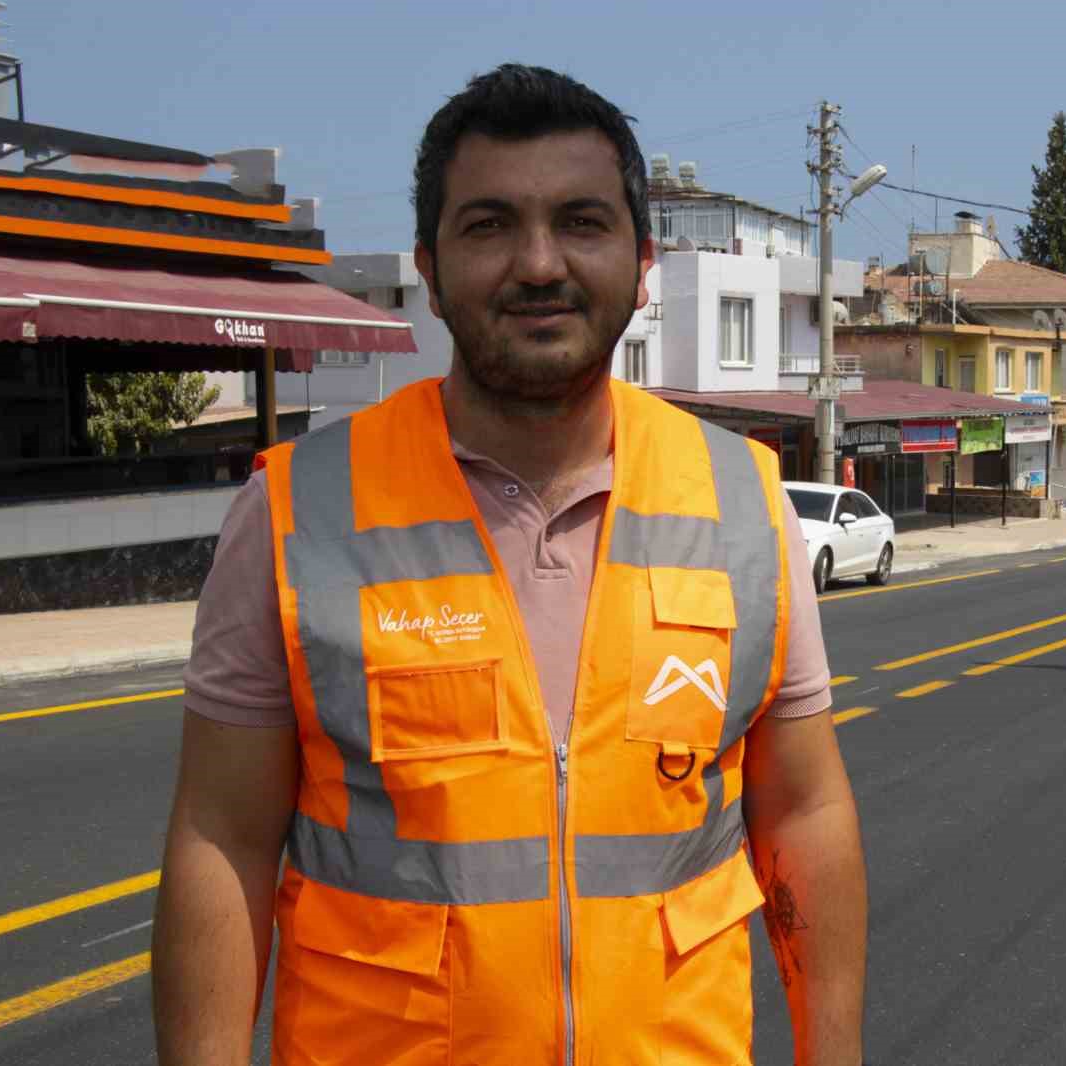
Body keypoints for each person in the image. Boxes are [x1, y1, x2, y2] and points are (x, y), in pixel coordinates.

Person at [152, 65, 867, 1066]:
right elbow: (220, 840)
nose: (539, 264)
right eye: (489, 225)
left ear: (643, 260)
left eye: (581, 221)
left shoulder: (745, 503)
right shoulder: (291, 513)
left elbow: (803, 810)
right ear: (429, 268)